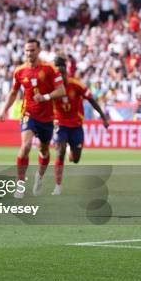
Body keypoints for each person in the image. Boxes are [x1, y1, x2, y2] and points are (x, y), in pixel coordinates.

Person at [0, 39, 66, 198]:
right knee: (26, 145)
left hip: (47, 117)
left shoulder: (49, 69)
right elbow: (14, 93)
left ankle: (39, 177)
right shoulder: (19, 71)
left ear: (39, 50)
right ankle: (20, 184)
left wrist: (46, 97)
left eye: (32, 50)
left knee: (44, 151)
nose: (29, 53)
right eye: (27, 50)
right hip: (28, 114)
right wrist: (4, 110)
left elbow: (61, 90)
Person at [51, 56, 109, 195]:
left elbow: (91, 100)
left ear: (66, 73)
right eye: (57, 74)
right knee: (60, 152)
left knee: (75, 159)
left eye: (62, 73)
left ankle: (72, 148)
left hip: (76, 125)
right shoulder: (51, 88)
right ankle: (58, 186)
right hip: (59, 123)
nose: (60, 76)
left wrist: (102, 116)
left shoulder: (77, 85)